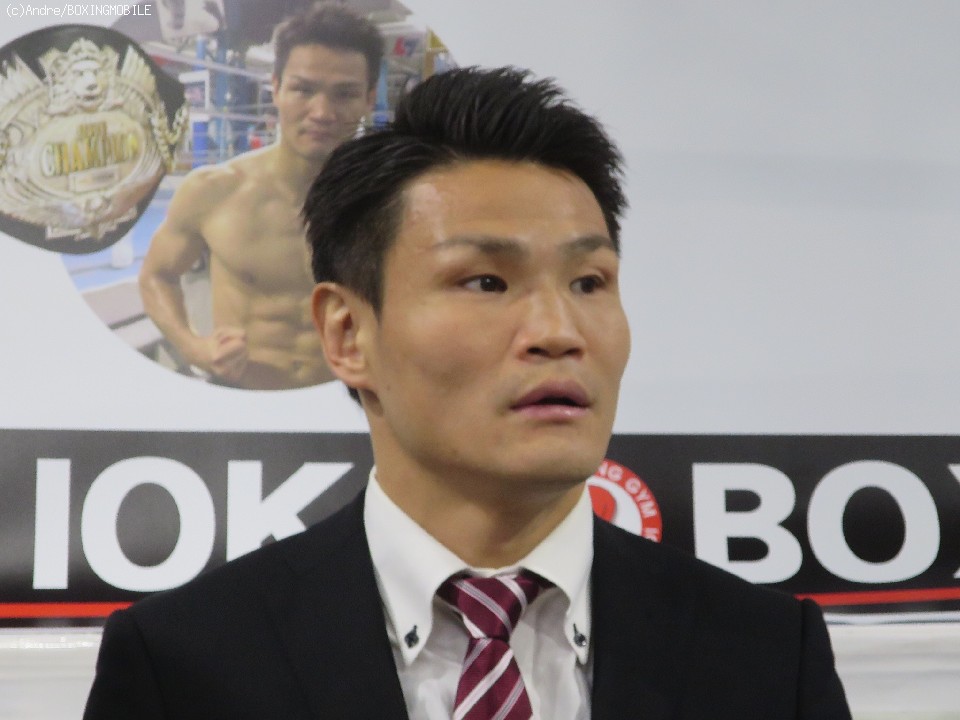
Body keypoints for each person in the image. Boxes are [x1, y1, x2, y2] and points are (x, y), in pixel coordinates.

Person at [84, 67, 852, 719]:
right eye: (486, 281)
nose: (558, 331)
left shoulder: (766, 655)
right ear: (347, 333)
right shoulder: (184, 663)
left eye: (589, 282)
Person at [138, 3, 382, 389]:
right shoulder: (214, 191)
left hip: (345, 402)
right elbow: (157, 275)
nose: (322, 112)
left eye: (345, 94)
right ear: (276, 88)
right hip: (243, 400)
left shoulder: (391, 202)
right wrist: (193, 348)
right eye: (303, 89)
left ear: (369, 99)